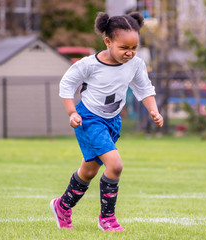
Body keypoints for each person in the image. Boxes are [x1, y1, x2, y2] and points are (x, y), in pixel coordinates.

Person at [50, 11, 164, 232]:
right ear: (108, 42)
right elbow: (67, 84)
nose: (129, 53)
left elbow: (144, 89)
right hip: (90, 119)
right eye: (124, 48)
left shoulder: (136, 64)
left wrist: (154, 111)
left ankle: (62, 206)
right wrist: (72, 113)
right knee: (115, 165)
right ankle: (107, 219)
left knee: (89, 171)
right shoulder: (89, 65)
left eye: (134, 48)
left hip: (112, 122)